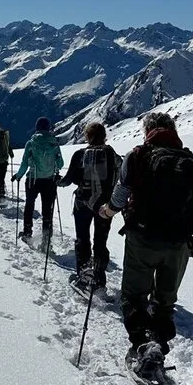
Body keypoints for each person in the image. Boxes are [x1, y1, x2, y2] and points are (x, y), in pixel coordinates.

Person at [99, 112, 193, 381]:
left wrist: (107, 212)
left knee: (134, 295)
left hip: (142, 238)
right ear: (173, 131)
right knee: (165, 301)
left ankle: (142, 345)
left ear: (147, 132)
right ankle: (158, 346)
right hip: (179, 243)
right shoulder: (192, 162)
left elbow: (120, 195)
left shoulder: (137, 156)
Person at [58, 121, 120, 290]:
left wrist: (58, 181)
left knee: (82, 239)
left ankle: (84, 275)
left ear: (87, 136)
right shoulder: (111, 154)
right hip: (105, 206)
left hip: (82, 203)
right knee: (100, 241)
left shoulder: (79, 154)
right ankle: (99, 278)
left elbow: (68, 179)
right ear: (104, 136)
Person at [11, 117, 64, 245]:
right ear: (48, 127)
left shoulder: (31, 143)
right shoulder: (54, 143)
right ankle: (46, 238)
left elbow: (24, 164)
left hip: (32, 181)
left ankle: (27, 232)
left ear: (37, 128)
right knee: (47, 210)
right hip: (49, 181)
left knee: (29, 206)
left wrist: (18, 176)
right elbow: (61, 163)